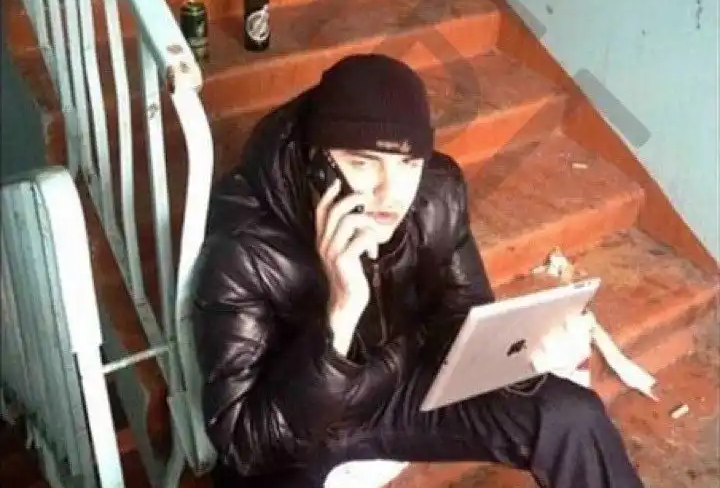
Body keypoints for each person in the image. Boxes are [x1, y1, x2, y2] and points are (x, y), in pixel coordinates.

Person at [192, 53, 645, 488]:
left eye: (408, 163)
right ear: (316, 165)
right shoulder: (243, 245)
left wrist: (519, 357)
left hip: (403, 388)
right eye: (362, 162)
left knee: (570, 413)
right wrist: (340, 316)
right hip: (303, 420)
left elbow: (462, 313)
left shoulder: (436, 194)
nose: (390, 192)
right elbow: (244, 446)